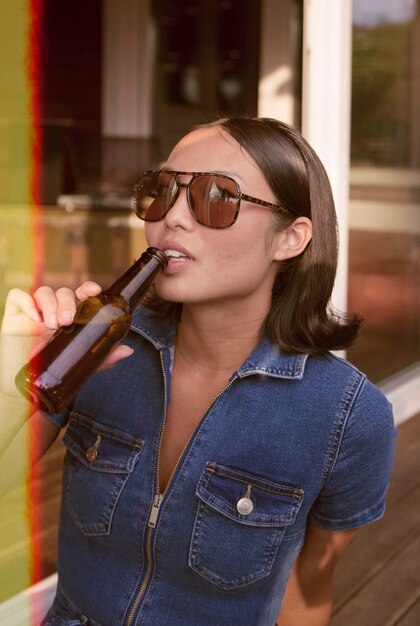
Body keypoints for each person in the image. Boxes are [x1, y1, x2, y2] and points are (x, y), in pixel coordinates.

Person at [0, 117, 396, 626]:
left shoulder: (349, 418)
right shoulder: (97, 350)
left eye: (216, 197)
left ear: (290, 239)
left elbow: (306, 592)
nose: (173, 219)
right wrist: (13, 387)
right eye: (160, 192)